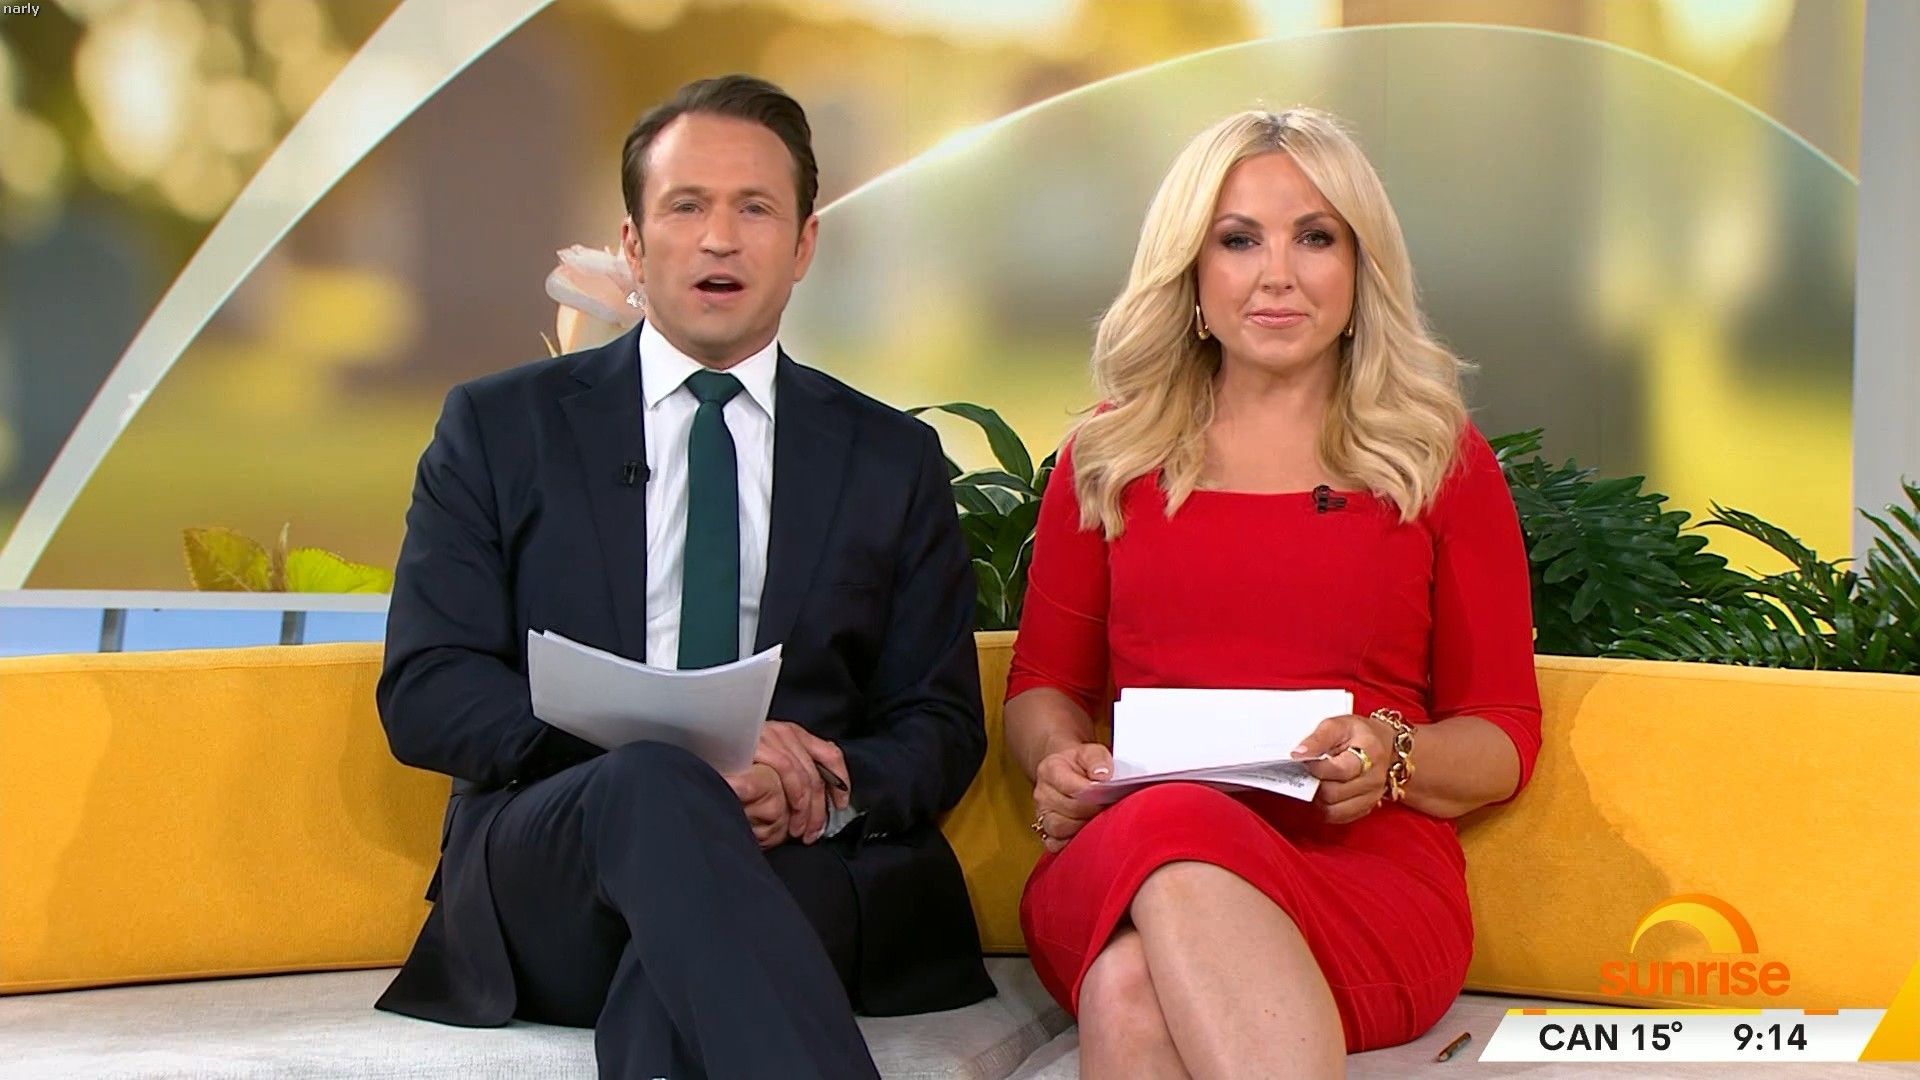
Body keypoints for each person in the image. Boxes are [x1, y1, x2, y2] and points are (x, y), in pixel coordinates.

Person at [374, 74, 995, 1079]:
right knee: (657, 786)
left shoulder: (889, 460)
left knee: (694, 962)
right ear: (632, 243)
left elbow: (940, 724)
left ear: (803, 244)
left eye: (755, 209)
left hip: (797, 855)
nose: (719, 239)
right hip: (560, 859)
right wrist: (659, 748)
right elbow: (428, 688)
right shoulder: (498, 429)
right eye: (686, 207)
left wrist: (816, 782)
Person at [1005, 107, 1543, 1077]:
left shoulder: (1437, 461)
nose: (1278, 274)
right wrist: (1060, 761)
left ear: (1362, 267)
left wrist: (1394, 754)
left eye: (1316, 238)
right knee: (1172, 824)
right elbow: (1043, 687)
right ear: (1191, 270)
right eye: (1239, 239)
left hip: (1362, 879)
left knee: (1127, 986)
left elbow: (1504, 734)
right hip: (1130, 843)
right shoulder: (1108, 456)